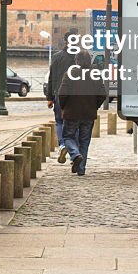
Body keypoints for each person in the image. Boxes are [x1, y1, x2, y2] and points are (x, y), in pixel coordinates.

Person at [58, 50, 107, 176]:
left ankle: (75, 154)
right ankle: (81, 168)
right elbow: (102, 94)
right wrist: (93, 106)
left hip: (71, 112)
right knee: (84, 141)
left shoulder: (70, 73)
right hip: (88, 113)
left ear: (77, 61)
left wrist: (64, 107)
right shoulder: (95, 74)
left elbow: (62, 94)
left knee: (68, 136)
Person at [46, 31, 78, 164]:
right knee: (74, 124)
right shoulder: (80, 57)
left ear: (65, 41)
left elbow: (51, 78)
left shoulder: (57, 57)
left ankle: (62, 145)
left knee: (59, 121)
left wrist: (49, 97)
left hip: (59, 95)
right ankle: (74, 154)